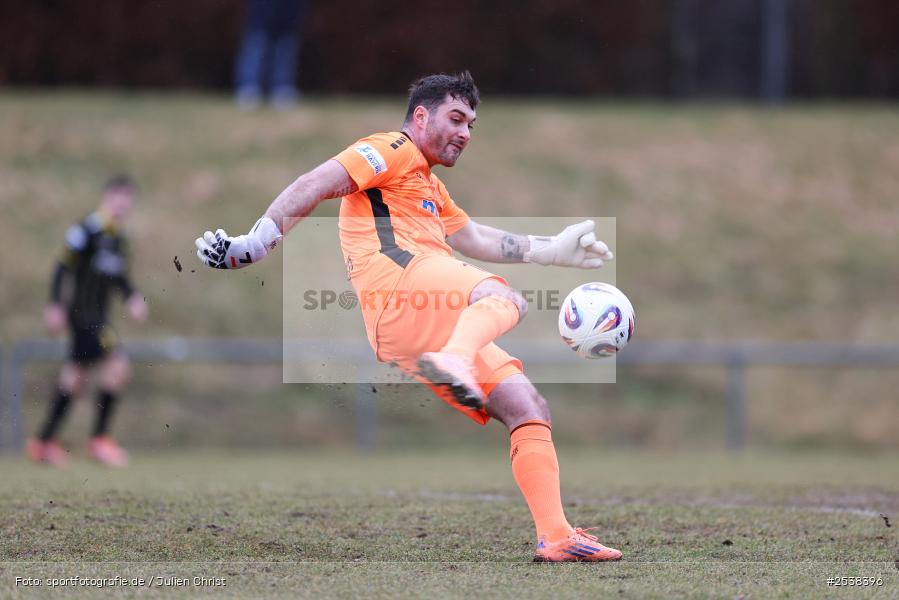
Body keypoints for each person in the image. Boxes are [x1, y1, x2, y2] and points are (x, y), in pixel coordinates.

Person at [195, 72, 621, 562]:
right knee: (502, 298)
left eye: (472, 124)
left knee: (526, 404)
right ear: (421, 116)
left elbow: (474, 238)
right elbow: (315, 182)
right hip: (400, 289)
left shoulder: (429, 186)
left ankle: (557, 536)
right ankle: (456, 361)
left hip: (419, 321)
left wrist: (549, 250)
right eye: (455, 118)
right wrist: (256, 242)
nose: (465, 132)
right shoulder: (392, 147)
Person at [27, 175, 147, 468]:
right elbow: (61, 266)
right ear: (107, 197)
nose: (123, 203)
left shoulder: (119, 238)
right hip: (82, 316)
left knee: (75, 379)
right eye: (118, 196)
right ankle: (100, 440)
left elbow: (118, 275)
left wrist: (132, 297)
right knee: (118, 366)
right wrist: (55, 305)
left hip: (98, 316)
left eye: (127, 198)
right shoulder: (87, 230)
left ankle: (42, 442)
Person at [234, 0, 307, 110]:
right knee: (257, 43)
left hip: (290, 12)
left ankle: (282, 87)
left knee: (285, 45)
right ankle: (249, 87)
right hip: (262, 12)